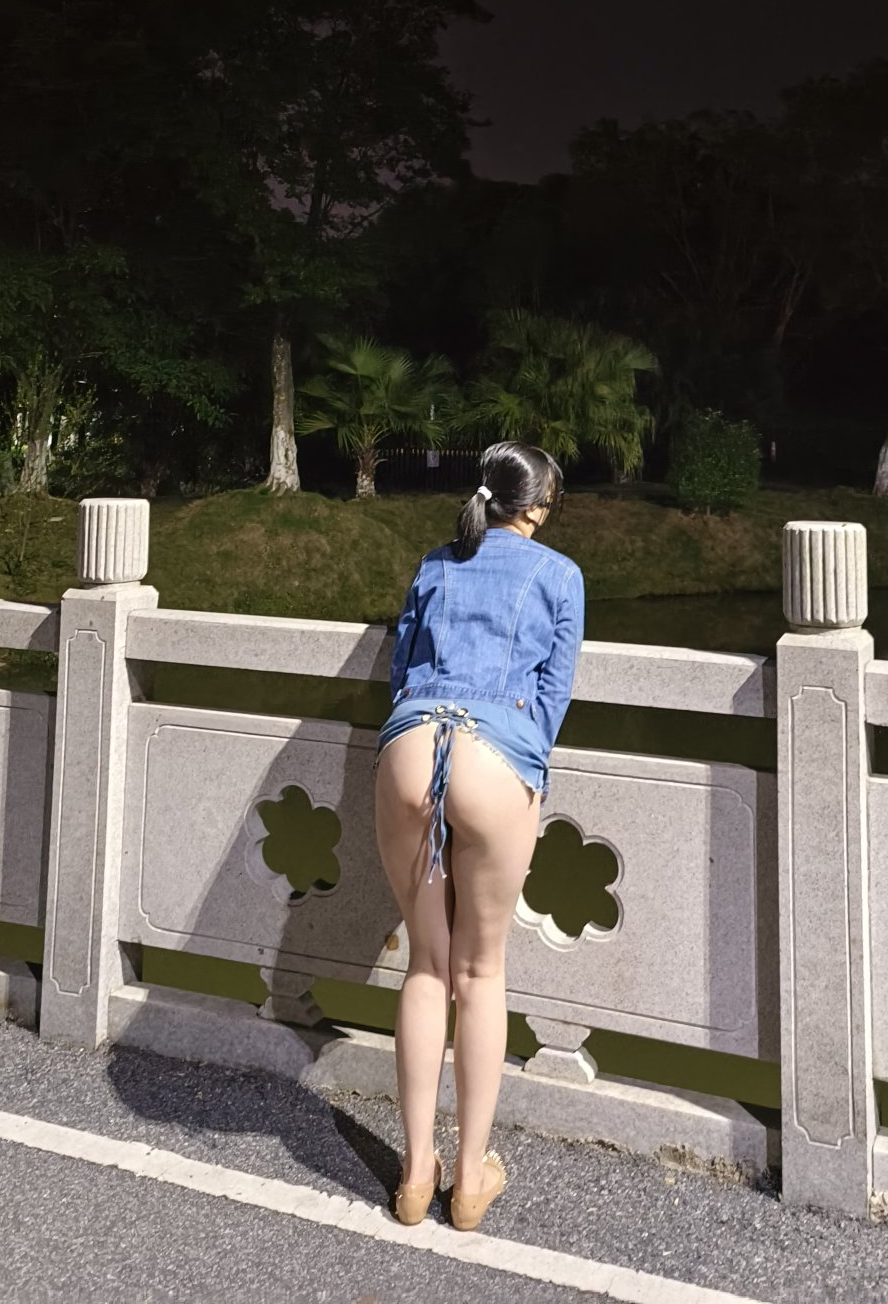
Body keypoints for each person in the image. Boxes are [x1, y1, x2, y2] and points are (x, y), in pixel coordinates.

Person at [373, 440, 585, 1231]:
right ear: (539, 507)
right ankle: (468, 1183)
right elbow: (552, 701)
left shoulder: (436, 562)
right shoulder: (559, 575)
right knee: (481, 971)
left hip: (411, 747)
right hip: (492, 757)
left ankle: (413, 1176)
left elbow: (401, 670)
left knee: (427, 966)